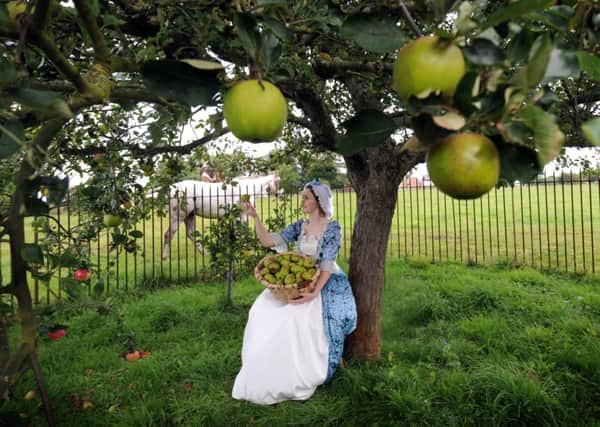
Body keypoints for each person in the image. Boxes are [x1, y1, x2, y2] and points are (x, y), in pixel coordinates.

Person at [232, 179, 357, 405]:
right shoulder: (300, 226)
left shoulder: (332, 228)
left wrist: (313, 293)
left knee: (294, 318)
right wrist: (255, 217)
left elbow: (327, 264)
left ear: (319, 201)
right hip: (295, 281)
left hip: (322, 281)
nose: (302, 202)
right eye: (302, 198)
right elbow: (269, 240)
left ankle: (296, 372)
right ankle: (265, 367)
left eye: (306, 198)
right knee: (261, 310)